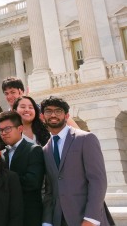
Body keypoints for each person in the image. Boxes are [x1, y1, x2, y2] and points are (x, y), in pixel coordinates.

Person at [41, 96, 113, 226]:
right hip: (59, 220)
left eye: (58, 111)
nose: (53, 115)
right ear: (42, 116)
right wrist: (47, 221)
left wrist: (91, 218)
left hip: (86, 219)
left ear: (67, 115)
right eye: (48, 111)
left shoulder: (86, 139)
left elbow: (98, 181)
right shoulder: (45, 149)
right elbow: (49, 190)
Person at [0, 111, 45, 226]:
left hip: (28, 216)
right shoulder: (2, 154)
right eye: (0, 130)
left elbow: (33, 182)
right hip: (7, 217)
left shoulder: (34, 150)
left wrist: (4, 180)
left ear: (20, 128)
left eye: (7, 129)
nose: (3, 133)